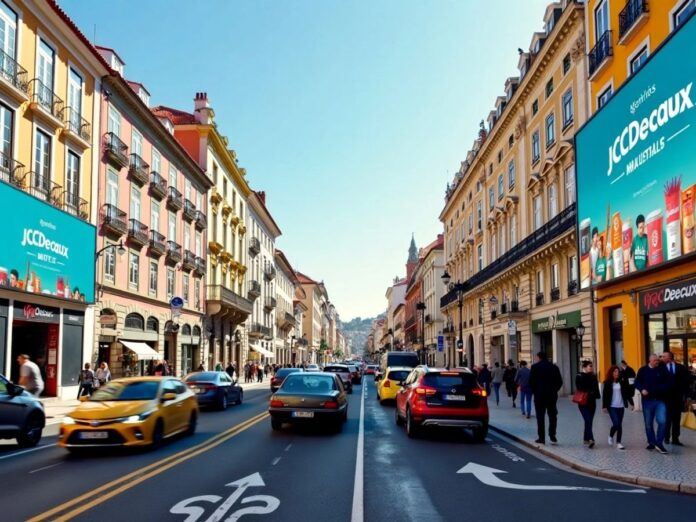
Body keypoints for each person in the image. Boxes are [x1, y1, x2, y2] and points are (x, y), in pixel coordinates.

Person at [634, 354, 670, 454]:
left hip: (660, 400)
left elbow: (668, 382)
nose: (657, 362)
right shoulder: (643, 370)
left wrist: (659, 388)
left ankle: (659, 443)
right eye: (655, 361)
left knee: (662, 421)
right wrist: (642, 389)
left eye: (658, 361)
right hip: (647, 401)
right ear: (650, 361)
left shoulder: (662, 370)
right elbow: (636, 382)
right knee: (648, 424)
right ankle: (651, 442)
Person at [529, 352, 563, 445]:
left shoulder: (535, 367)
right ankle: (552, 435)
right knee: (552, 416)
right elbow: (560, 381)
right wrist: (554, 390)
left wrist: (535, 391)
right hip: (551, 396)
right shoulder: (554, 367)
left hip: (539, 396)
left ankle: (541, 438)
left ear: (538, 357)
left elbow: (531, 382)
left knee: (540, 417)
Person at [602, 365, 634, 450]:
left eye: (618, 372)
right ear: (611, 373)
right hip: (612, 406)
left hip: (621, 406)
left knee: (619, 425)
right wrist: (604, 406)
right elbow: (605, 395)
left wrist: (631, 403)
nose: (617, 373)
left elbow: (627, 393)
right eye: (615, 371)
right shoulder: (607, 382)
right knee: (616, 423)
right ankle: (610, 436)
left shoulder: (622, 382)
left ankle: (619, 443)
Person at [661, 351, 689, 446]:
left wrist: (686, 396)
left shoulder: (681, 368)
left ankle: (675, 438)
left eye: (664, 356)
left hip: (678, 398)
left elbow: (686, 382)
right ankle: (666, 437)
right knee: (667, 419)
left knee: (676, 419)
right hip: (665, 399)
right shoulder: (661, 368)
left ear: (670, 357)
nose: (662, 358)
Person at [575, 360, 600, 448]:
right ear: (584, 367)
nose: (592, 367)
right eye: (590, 366)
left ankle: (585, 438)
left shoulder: (593, 376)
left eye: (592, 366)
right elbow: (580, 387)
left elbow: (596, 388)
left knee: (589, 421)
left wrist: (597, 395)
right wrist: (590, 390)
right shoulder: (579, 376)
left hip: (592, 402)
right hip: (583, 402)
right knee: (588, 419)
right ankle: (591, 439)